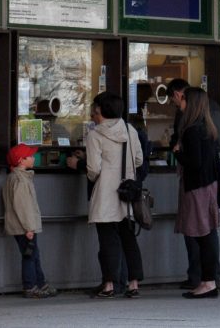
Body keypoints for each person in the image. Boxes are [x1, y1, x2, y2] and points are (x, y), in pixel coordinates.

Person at [167, 78, 220, 289]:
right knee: (207, 232)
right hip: (208, 184)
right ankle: (209, 280)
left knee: (200, 233)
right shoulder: (208, 126)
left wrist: (178, 153)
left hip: (197, 186)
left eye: (182, 99)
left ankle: (206, 280)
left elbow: (194, 162)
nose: (179, 102)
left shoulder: (192, 130)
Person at [85, 92, 145, 299]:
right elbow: (139, 159)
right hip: (127, 192)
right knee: (129, 238)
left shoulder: (94, 135)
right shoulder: (130, 130)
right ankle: (133, 283)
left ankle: (109, 285)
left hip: (105, 193)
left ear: (100, 110)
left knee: (108, 240)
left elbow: (93, 169)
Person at [2, 143, 57, 299]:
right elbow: (22, 206)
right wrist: (29, 228)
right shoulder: (20, 180)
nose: (34, 158)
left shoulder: (15, 178)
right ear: (21, 160)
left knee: (33, 254)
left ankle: (40, 283)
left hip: (21, 226)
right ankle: (30, 286)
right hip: (24, 227)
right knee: (30, 256)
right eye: (30, 156)